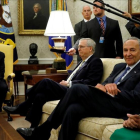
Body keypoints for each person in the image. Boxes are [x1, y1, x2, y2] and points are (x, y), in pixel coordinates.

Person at [14, 36, 140, 140]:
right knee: (73, 109)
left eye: (132, 50)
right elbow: (105, 83)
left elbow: (137, 96)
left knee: (76, 89)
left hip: (122, 107)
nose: (128, 54)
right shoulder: (119, 67)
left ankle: (44, 129)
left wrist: (115, 91)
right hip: (104, 100)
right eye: (125, 50)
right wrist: (103, 86)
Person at [3, 38, 103, 128]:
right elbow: (75, 75)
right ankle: (33, 128)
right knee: (40, 95)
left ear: (90, 49)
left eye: (81, 47)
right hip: (66, 87)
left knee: (46, 81)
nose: (78, 49)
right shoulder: (82, 61)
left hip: (74, 92)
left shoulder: (95, 62)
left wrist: (69, 84)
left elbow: (91, 82)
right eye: (78, 46)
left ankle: (23, 106)